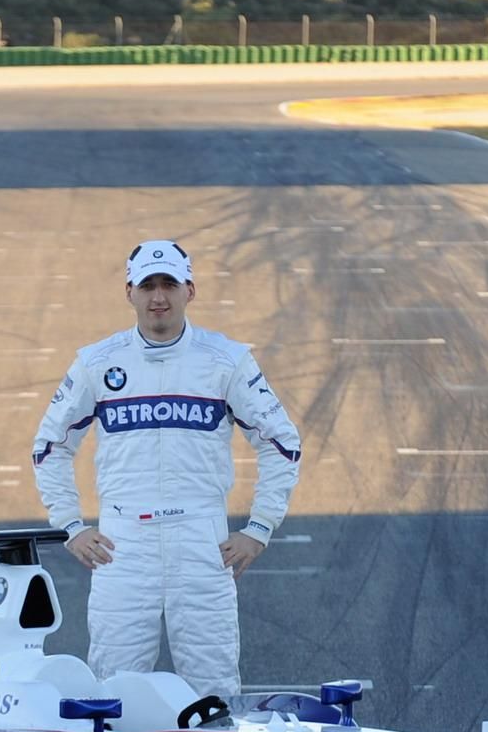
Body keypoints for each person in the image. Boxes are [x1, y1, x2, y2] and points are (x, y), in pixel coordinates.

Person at [30, 239, 302, 704]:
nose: (159, 297)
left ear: (189, 290)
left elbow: (283, 443)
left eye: (169, 284)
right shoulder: (97, 363)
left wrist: (259, 529)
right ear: (129, 293)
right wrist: (71, 526)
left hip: (202, 545)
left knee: (213, 696)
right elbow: (49, 447)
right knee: (111, 692)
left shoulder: (227, 361)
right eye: (147, 285)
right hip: (122, 548)